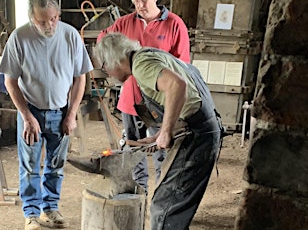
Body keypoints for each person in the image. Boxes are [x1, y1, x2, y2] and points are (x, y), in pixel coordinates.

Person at [94, 32, 222, 230]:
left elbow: (177, 85)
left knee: (165, 208)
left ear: (114, 59)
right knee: (172, 206)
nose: (107, 72)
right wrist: (160, 133)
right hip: (200, 131)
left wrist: (166, 131)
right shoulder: (150, 54)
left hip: (197, 137)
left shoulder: (141, 65)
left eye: (104, 66)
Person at [0, 0, 93, 230]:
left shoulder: (70, 35)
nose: (50, 25)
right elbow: (10, 81)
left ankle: (50, 207)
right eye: (42, 21)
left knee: (56, 163)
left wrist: (71, 113)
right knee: (30, 164)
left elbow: (80, 77)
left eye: (54, 18)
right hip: (31, 110)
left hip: (60, 111)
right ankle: (31, 213)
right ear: (32, 17)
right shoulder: (19, 38)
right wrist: (27, 116)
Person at [97, 0, 191, 192]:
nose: (139, 6)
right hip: (131, 100)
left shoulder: (175, 24)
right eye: (135, 1)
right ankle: (139, 194)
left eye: (144, 0)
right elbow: (104, 40)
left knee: (161, 149)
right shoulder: (124, 23)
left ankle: (160, 194)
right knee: (134, 151)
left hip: (159, 103)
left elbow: (183, 66)